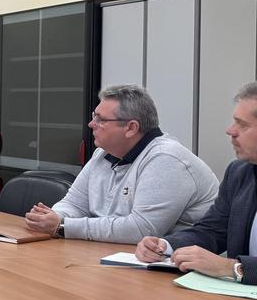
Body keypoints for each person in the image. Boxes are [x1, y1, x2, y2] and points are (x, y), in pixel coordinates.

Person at [24, 84, 218, 243]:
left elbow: (141, 229)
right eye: (94, 116)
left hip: (175, 268)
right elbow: (75, 204)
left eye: (100, 120)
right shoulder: (102, 154)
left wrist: (63, 226)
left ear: (131, 128)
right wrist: (52, 217)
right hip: (116, 254)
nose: (91, 124)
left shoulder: (166, 159)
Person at [136, 81, 257, 285]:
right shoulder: (240, 173)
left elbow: (229, 266)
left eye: (242, 124)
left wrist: (233, 268)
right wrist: (164, 246)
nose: (230, 130)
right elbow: (213, 230)